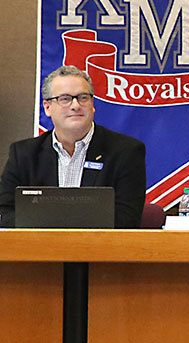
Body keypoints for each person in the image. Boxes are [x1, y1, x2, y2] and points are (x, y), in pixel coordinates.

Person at [0, 65, 147, 228]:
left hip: (100, 244)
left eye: (83, 97)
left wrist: (52, 223)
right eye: (65, 99)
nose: (75, 105)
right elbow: (3, 213)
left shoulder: (126, 152)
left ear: (92, 104)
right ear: (47, 107)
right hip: (38, 244)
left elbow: (127, 220)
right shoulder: (24, 154)